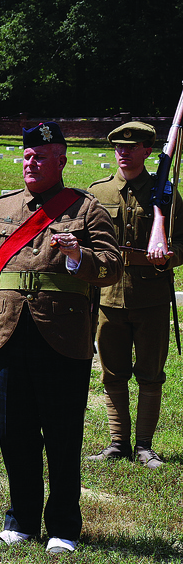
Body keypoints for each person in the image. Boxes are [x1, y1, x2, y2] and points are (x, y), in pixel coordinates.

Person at [0, 122, 122, 554]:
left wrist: (78, 256)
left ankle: (63, 527)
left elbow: (112, 267)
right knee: (15, 432)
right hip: (10, 330)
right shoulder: (1, 208)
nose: (30, 162)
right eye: (27, 156)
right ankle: (19, 520)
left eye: (41, 155)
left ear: (61, 160)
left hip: (63, 335)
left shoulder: (86, 209)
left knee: (61, 434)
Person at [85, 122, 182, 469]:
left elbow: (181, 242)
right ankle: (117, 443)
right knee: (112, 372)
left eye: (132, 147)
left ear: (146, 151)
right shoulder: (98, 193)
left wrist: (169, 254)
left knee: (150, 373)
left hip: (152, 298)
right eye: (119, 147)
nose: (124, 152)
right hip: (109, 297)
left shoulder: (165, 194)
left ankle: (144, 446)